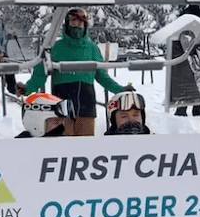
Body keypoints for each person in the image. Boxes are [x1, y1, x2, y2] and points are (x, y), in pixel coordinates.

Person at [23, 8, 128, 136]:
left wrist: (120, 90)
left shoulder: (92, 49)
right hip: (61, 103)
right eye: (73, 22)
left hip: (86, 103)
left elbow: (102, 76)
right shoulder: (56, 47)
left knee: (85, 144)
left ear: (85, 26)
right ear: (67, 24)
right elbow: (40, 73)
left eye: (80, 23)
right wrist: (27, 88)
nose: (77, 26)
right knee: (62, 142)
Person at [173, 5, 200, 117]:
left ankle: (186, 110)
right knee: (197, 81)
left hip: (190, 54)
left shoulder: (185, 14)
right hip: (198, 54)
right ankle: (194, 110)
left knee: (188, 83)